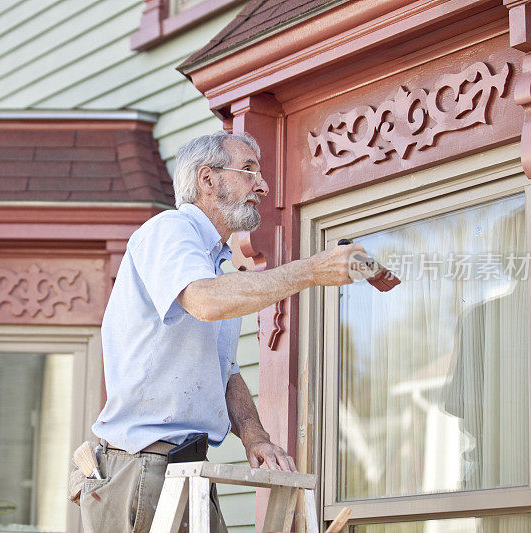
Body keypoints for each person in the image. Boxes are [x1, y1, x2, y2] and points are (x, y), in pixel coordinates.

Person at [78, 131, 366, 532]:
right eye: (248, 170)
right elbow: (206, 301)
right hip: (141, 469)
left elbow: (225, 371)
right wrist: (313, 270)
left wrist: (255, 437)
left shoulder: (216, 268)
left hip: (184, 469)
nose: (262, 185)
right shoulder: (169, 230)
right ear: (208, 180)